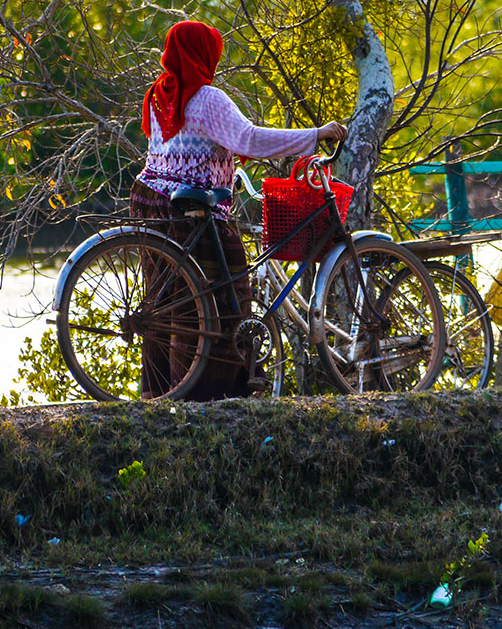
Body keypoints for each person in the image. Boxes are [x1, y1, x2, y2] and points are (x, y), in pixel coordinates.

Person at [131, 20, 347, 400]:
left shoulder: (156, 95)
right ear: (203, 54)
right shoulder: (208, 99)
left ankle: (160, 391)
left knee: (164, 304)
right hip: (188, 209)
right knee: (222, 298)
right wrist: (316, 135)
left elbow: (186, 143)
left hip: (149, 199)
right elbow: (250, 138)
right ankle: (202, 394)